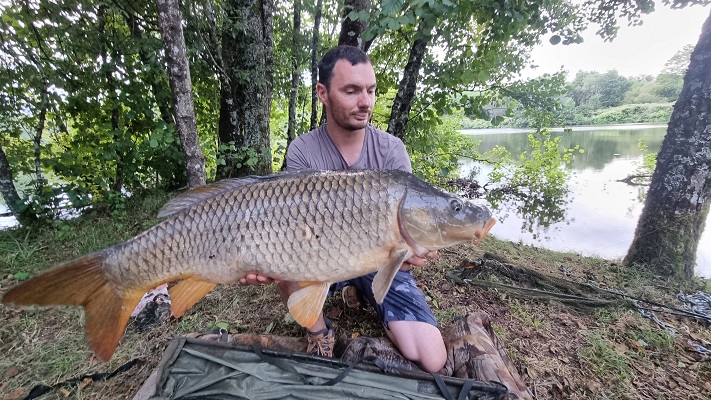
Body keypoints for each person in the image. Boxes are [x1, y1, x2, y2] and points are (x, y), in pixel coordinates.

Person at [239, 45, 446, 373]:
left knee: (431, 358)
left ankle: (359, 290)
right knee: (282, 259)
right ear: (323, 93)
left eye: (370, 90)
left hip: (377, 260)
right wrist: (260, 260)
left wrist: (408, 256)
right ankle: (320, 332)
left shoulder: (391, 151)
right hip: (320, 256)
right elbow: (292, 234)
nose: (365, 102)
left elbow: (405, 249)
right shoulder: (303, 151)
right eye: (351, 91)